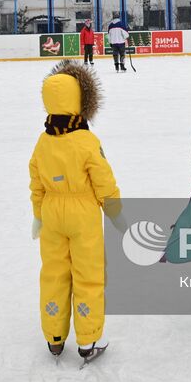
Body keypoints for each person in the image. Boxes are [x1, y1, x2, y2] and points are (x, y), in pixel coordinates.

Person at [30, 60, 123, 362]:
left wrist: (38, 214)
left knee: (54, 275)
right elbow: (103, 179)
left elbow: (36, 182)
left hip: (53, 214)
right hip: (83, 214)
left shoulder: (43, 142)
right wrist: (114, 210)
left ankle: (54, 337)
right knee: (88, 276)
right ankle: (88, 338)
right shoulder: (86, 140)